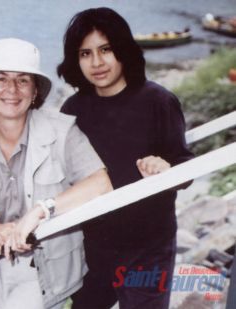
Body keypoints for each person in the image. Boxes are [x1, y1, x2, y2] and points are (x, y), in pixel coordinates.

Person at [0, 38, 112, 309]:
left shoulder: (63, 132)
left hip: (51, 272)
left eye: (23, 80)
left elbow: (101, 184)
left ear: (35, 90)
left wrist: (41, 210)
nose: (11, 89)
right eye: (1, 79)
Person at [57, 7, 194, 309]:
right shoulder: (72, 110)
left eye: (106, 49)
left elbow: (186, 168)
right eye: (85, 53)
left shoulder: (157, 101)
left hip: (148, 246)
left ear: (123, 50)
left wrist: (167, 169)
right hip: (92, 245)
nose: (97, 62)